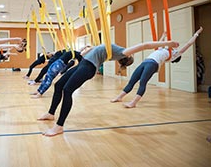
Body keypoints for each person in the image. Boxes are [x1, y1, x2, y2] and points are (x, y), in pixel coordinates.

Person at [37, 39, 180, 136]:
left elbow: (145, 45)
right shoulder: (113, 50)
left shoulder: (123, 52)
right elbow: (88, 52)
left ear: (126, 57)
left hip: (88, 67)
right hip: (83, 63)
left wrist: (168, 43)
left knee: (67, 90)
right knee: (59, 85)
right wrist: (87, 50)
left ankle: (59, 126)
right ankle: (51, 113)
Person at [111, 27, 203, 108]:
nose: (174, 48)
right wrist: (163, 35)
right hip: (145, 62)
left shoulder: (174, 55)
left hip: (153, 64)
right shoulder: (163, 49)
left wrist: (197, 33)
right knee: (132, 80)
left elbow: (188, 44)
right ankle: (119, 97)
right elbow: (158, 43)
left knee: (143, 82)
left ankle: (133, 103)